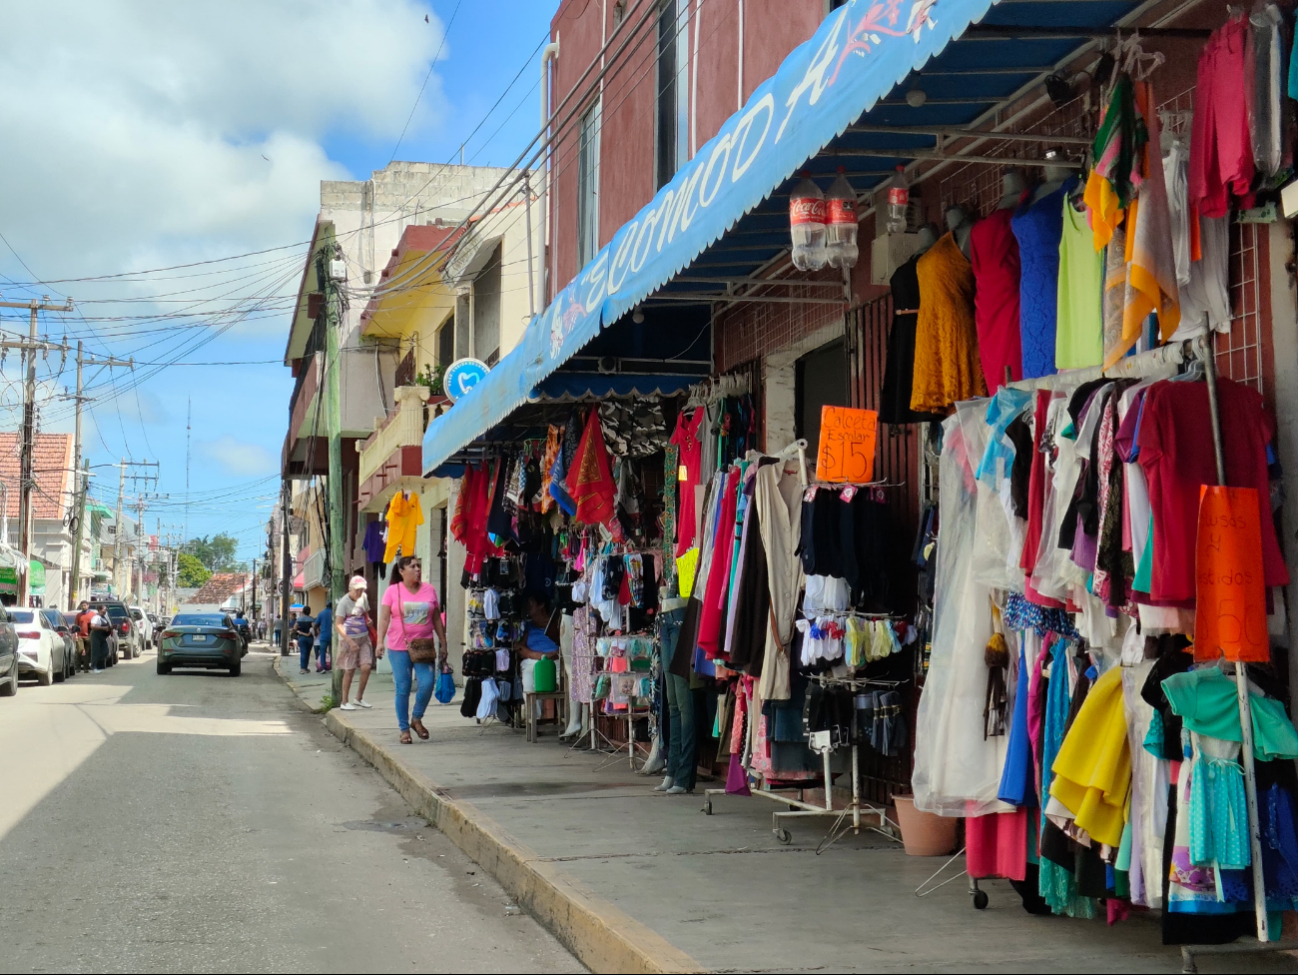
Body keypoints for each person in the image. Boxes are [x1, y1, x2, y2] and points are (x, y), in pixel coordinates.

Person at [376, 555, 446, 745]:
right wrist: (380, 642)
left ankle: (416, 718)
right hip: (399, 646)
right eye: (412, 566)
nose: (417, 569)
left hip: (424, 647)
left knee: (427, 682)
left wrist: (444, 642)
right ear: (401, 571)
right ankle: (404, 729)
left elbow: (437, 618)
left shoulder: (429, 590)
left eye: (418, 566)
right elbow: (383, 619)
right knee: (403, 687)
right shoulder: (392, 591)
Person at [335, 577, 373, 711]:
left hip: (363, 637)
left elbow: (366, 613)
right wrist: (350, 642)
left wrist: (369, 622)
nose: (359, 592)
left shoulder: (364, 597)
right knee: (349, 670)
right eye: (357, 589)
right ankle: (344, 701)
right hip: (349, 639)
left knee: (366, 666)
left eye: (362, 589)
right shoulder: (344, 603)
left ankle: (359, 698)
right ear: (351, 588)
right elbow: (338, 624)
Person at [513, 590, 560, 660]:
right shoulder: (528, 626)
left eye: (531, 601)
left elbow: (564, 649)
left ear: (541, 605)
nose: (528, 604)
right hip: (532, 663)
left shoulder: (557, 624)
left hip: (555, 662)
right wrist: (541, 656)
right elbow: (519, 647)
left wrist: (551, 656)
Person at [89, 604, 112, 674]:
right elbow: (92, 626)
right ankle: (93, 667)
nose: (105, 611)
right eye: (104, 610)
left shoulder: (104, 617)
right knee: (95, 651)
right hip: (96, 635)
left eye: (105, 610)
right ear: (99, 610)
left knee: (105, 651)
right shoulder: (96, 617)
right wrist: (103, 628)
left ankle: (95, 663)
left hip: (102, 636)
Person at [293, 608, 316, 675]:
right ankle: (305, 667)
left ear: (303, 612)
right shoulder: (311, 619)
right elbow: (314, 627)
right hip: (309, 638)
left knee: (303, 652)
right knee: (307, 653)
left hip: (302, 637)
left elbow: (295, 628)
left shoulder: (299, 619)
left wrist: (298, 631)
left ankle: (303, 668)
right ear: (309, 612)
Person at [74, 600, 93, 672]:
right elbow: (76, 626)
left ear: (88, 606)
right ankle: (78, 667)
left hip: (89, 636)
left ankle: (86, 668)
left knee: (88, 652)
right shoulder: (79, 615)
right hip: (80, 636)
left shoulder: (92, 614)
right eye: (82, 606)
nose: (83, 607)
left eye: (85, 605)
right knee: (79, 651)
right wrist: (75, 635)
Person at [314, 601, 333, 673]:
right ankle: (332, 666)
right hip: (333, 636)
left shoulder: (321, 613)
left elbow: (316, 625)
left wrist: (316, 632)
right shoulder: (335, 613)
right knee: (333, 652)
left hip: (324, 635)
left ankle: (323, 667)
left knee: (322, 651)